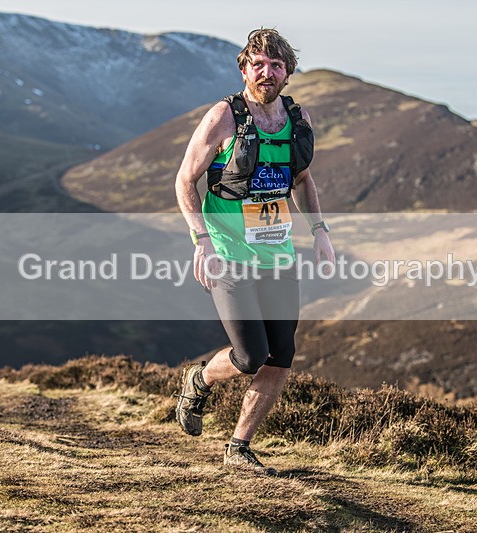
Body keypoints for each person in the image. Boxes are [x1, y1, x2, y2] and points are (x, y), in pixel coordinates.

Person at [174, 28, 334, 476]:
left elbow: (301, 179)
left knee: (281, 355)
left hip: (278, 254)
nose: (267, 72)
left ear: (287, 72)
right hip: (227, 252)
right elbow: (185, 180)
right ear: (244, 68)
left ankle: (239, 447)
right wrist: (201, 240)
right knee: (249, 357)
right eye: (258, 64)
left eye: (276, 65)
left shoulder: (297, 119)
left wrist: (319, 229)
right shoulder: (224, 116)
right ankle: (199, 378)